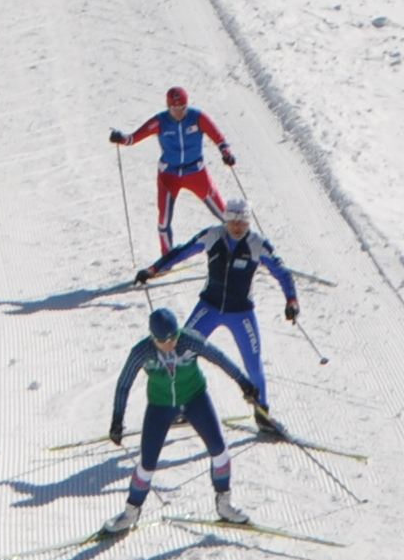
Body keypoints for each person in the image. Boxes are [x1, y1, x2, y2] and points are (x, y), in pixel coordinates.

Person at [137, 200, 299, 430]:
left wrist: (291, 301)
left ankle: (262, 413)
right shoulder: (212, 235)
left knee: (253, 364)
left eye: (241, 223)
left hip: (241, 312)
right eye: (232, 222)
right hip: (209, 307)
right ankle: (179, 406)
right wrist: (154, 269)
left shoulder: (257, 244)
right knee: (180, 352)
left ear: (248, 223)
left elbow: (282, 273)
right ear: (225, 220)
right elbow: (182, 251)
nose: (236, 227)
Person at [100, 307, 259, 536]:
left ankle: (224, 505)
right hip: (160, 405)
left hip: (195, 398)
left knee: (220, 451)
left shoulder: (188, 341)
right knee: (147, 465)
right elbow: (124, 384)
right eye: (163, 341)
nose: (170, 344)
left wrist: (244, 383)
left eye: (173, 337)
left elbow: (219, 358)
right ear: (153, 337)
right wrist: (117, 420)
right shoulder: (142, 351)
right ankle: (130, 513)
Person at [109, 86, 235, 250]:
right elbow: (133, 138)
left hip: (196, 172)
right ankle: (166, 258)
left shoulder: (197, 117)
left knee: (225, 215)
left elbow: (219, 138)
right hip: (169, 175)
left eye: (182, 107)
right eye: (174, 108)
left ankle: (242, 250)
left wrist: (226, 153)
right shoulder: (160, 121)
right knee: (163, 220)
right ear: (168, 106)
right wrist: (120, 138)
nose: (179, 112)